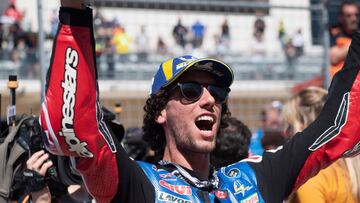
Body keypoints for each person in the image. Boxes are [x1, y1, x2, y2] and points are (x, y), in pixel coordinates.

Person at [40, 1, 360, 202]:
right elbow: (76, 129)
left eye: (217, 93)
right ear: (161, 111)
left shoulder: (254, 178)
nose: (208, 100)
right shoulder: (137, 184)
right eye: (191, 91)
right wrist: (75, 14)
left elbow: (339, 126)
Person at [283, 86, 360, 203]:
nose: (286, 132)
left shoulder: (311, 175)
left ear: (304, 127)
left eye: (290, 125)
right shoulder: (351, 163)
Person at [329, 1, 359, 78]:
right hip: (341, 81)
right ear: (341, 18)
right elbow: (333, 57)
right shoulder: (334, 32)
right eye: (349, 15)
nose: (354, 19)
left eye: (356, 15)